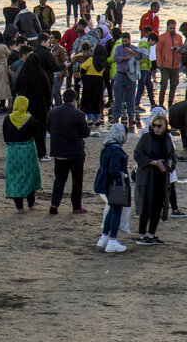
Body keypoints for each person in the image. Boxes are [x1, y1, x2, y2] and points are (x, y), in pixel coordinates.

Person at [132, 113, 175, 245]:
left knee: (158, 205)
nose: (156, 128)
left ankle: (151, 234)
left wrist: (168, 165)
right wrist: (154, 162)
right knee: (146, 205)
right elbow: (137, 154)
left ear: (164, 127)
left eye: (159, 126)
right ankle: (141, 235)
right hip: (147, 177)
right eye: (154, 125)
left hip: (161, 177)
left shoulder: (167, 139)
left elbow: (172, 155)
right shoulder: (146, 138)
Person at [47, 89, 91, 212]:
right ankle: (76, 206)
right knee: (77, 181)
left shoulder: (53, 113)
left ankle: (54, 204)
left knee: (59, 179)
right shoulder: (79, 114)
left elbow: (49, 128)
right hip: (75, 152)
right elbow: (86, 133)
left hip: (59, 151)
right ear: (74, 100)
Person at [94, 123, 130, 253]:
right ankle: (112, 240)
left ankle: (104, 237)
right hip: (114, 185)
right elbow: (114, 170)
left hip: (104, 183)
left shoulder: (106, 147)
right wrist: (124, 175)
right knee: (116, 211)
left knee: (111, 210)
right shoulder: (116, 150)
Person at [3, 96, 42, 212]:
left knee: (14, 176)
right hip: (28, 150)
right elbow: (38, 133)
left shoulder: (7, 119)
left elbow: (5, 137)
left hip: (13, 151)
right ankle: (31, 202)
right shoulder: (29, 119)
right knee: (30, 175)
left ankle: (19, 207)